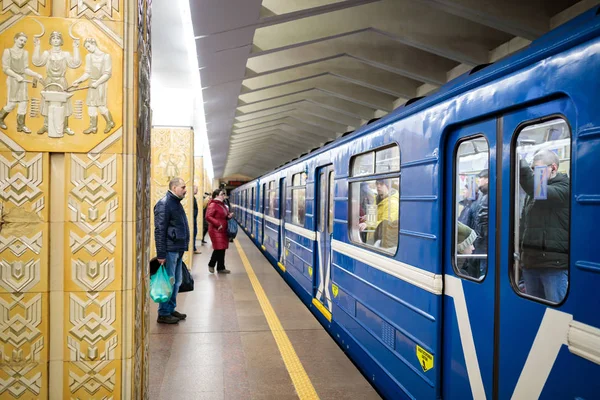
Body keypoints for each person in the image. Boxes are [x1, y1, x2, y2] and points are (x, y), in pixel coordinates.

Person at [518, 149, 569, 302]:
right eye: (532, 170)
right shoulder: (533, 193)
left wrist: (519, 162)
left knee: (555, 314)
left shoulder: (565, 188)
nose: (534, 174)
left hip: (553, 265)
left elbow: (537, 189)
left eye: (537, 170)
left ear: (553, 168)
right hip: (531, 263)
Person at [153, 177, 190, 324]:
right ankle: (163, 313)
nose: (185, 190)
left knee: (176, 281)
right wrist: (161, 254)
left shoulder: (175, 202)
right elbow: (159, 231)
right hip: (170, 250)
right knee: (169, 282)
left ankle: (170, 308)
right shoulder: (164, 204)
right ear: (174, 188)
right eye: (183, 187)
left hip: (177, 248)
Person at [32, 31, 81, 136]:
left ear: (61, 40)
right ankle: (46, 125)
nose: (55, 40)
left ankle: (65, 126)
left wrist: (76, 48)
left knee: (64, 103)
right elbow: (37, 61)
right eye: (53, 38)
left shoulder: (65, 54)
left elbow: (75, 63)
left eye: (58, 38)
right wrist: (37, 46)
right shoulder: (47, 53)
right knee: (47, 102)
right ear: (50, 40)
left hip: (61, 81)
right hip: (49, 81)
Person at [0, 32, 43, 133]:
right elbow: (5, 69)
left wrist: (36, 74)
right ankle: (0, 118)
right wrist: (16, 76)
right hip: (12, 79)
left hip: (22, 79)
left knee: (24, 102)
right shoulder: (7, 51)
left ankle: (21, 126)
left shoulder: (25, 53)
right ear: (15, 39)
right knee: (12, 104)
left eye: (24, 41)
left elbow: (25, 69)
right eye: (21, 40)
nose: (22, 42)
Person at [72, 38, 115, 134]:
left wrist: (97, 83)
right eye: (86, 47)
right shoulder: (89, 57)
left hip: (101, 84)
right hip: (92, 84)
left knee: (101, 106)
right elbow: (87, 73)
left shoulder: (106, 56)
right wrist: (78, 81)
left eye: (88, 46)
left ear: (94, 44)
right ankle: (93, 127)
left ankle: (110, 122)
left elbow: (107, 74)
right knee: (91, 106)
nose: (87, 49)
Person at [358, 179, 399, 248]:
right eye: (377, 184)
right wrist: (368, 217)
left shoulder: (392, 203)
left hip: (381, 241)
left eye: (381, 184)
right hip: (372, 237)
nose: (378, 186)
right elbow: (372, 218)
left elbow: (386, 224)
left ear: (387, 186)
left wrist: (367, 224)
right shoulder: (376, 198)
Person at [205, 188, 233, 273]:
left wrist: (228, 216)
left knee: (222, 248)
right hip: (215, 229)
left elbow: (223, 216)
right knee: (218, 248)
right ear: (217, 196)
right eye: (222, 194)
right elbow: (208, 216)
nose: (223, 195)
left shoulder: (222, 205)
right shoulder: (213, 204)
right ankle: (211, 264)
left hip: (222, 229)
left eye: (224, 194)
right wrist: (218, 224)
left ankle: (221, 267)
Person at [468, 169, 489, 278]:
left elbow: (482, 224)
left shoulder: (486, 196)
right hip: (481, 244)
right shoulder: (483, 195)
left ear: (486, 180)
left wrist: (478, 239)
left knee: (483, 272)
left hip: (483, 245)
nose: (479, 181)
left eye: (480, 178)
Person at [192, 185, 201, 254]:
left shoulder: (193, 198)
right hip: (192, 220)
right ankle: (193, 248)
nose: (197, 190)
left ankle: (193, 248)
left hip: (194, 219)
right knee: (193, 233)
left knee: (194, 233)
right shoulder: (192, 198)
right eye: (196, 189)